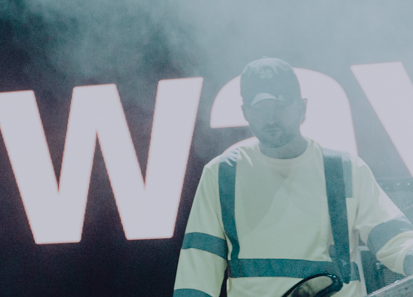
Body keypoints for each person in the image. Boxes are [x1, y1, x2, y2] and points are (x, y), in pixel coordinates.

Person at [173, 58, 413, 297]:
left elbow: (394, 239)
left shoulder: (344, 169)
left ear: (302, 107)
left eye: (280, 106)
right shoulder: (222, 173)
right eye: (260, 108)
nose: (271, 118)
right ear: (245, 112)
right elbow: (198, 268)